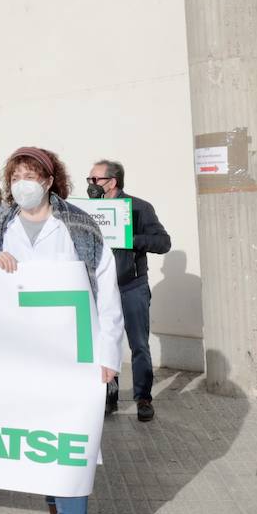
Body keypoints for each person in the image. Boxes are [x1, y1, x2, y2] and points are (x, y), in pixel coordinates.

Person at [0, 147, 122, 514]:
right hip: (27, 360)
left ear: (49, 180)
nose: (23, 181)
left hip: (75, 357)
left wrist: (108, 354)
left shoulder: (79, 224)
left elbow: (105, 288)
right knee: (45, 449)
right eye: (16, 175)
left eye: (32, 174)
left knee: (75, 451)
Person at [88, 160, 171, 422]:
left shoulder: (139, 208)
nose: (90, 185)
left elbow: (163, 242)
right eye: (89, 180)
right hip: (100, 288)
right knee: (104, 343)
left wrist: (130, 239)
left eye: (95, 180)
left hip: (131, 286)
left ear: (112, 182)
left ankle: (143, 398)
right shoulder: (87, 210)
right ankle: (109, 395)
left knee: (138, 345)